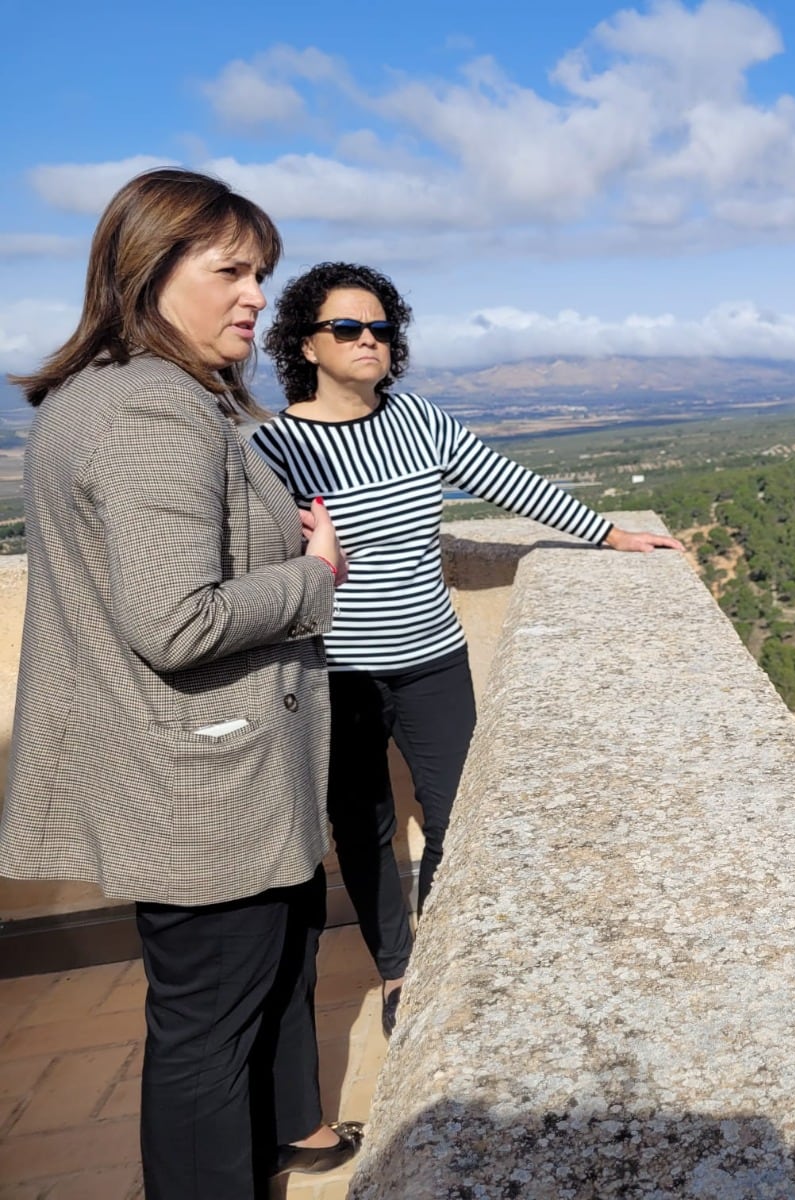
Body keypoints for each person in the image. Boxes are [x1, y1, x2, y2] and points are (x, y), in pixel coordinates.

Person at [0, 169, 360, 1198]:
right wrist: (315, 577)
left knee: (238, 1002)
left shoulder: (107, 394)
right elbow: (177, 621)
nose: (256, 296)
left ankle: (286, 1143)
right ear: (148, 268)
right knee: (205, 1034)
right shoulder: (152, 412)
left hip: (198, 771)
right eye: (231, 271)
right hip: (201, 785)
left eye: (264, 273)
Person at [255, 262, 682, 1037]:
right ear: (306, 344)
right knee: (364, 829)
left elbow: (510, 483)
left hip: (432, 661)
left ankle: (449, 956)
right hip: (335, 670)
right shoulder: (277, 448)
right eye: (347, 328)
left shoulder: (419, 422)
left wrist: (614, 535)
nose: (369, 341)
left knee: (459, 815)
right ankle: (397, 973)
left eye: (381, 328)